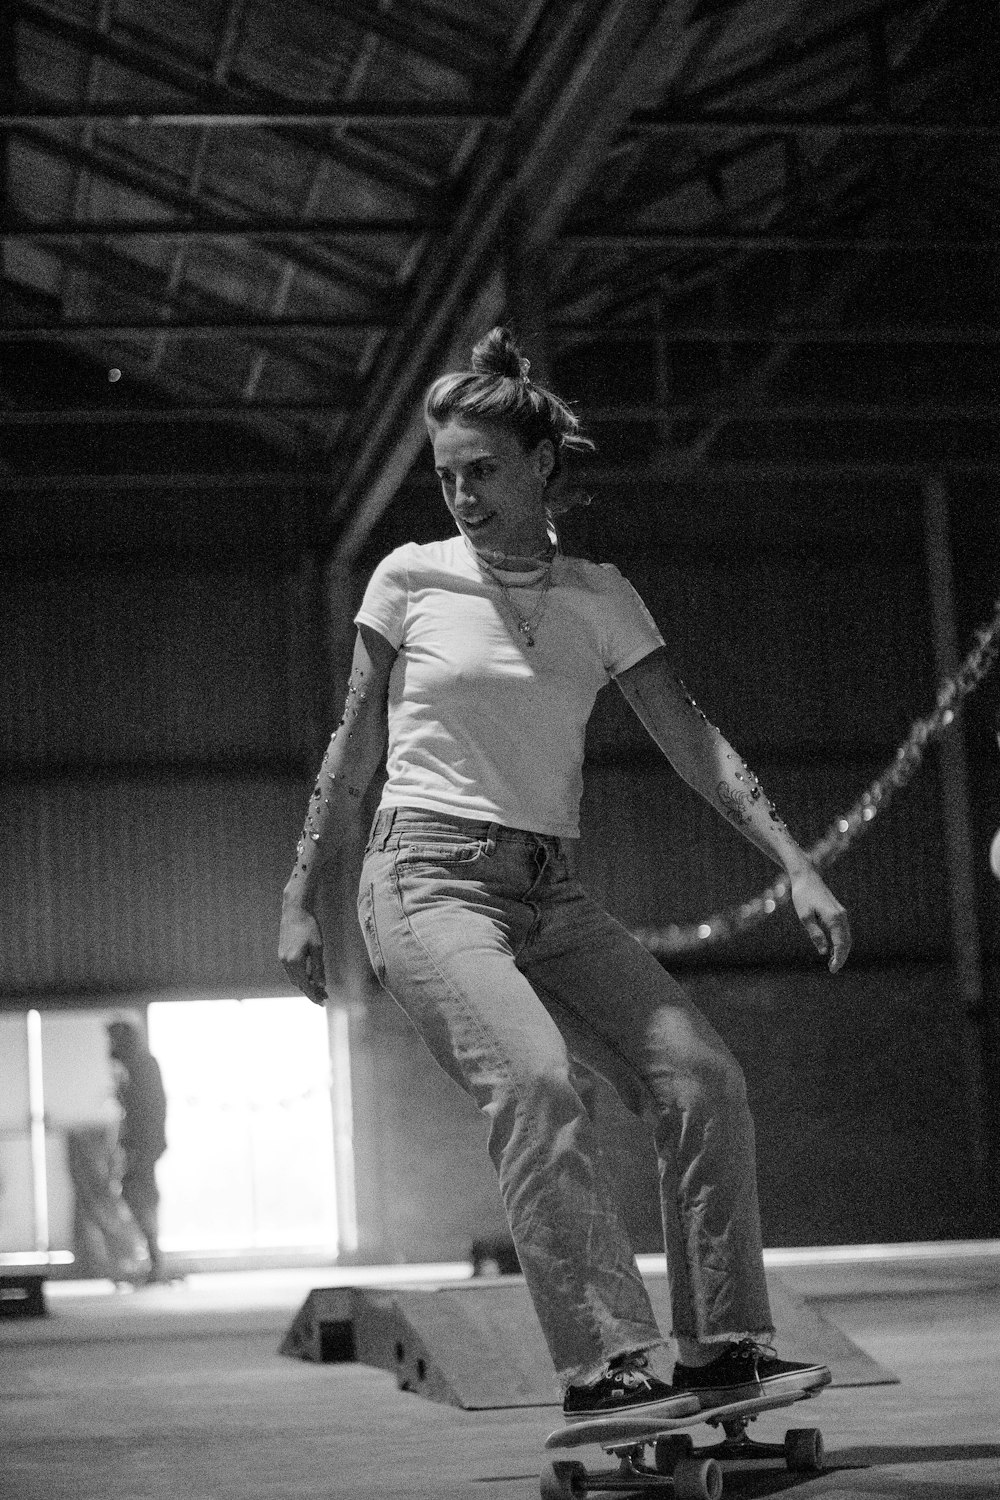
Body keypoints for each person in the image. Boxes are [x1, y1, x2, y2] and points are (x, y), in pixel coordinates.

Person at [278, 327, 851, 1420]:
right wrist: (300, 896)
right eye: (445, 476)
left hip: (548, 892)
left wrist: (799, 865)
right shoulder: (410, 577)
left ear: (542, 464)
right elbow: (354, 746)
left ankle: (721, 1345)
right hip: (424, 880)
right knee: (540, 1082)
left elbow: (694, 740)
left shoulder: (599, 595)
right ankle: (603, 1364)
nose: (461, 495)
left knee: (700, 1077)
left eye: (482, 471)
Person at [106, 1018, 168, 1284]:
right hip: (140, 1143)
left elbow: (147, 1109)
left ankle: (154, 1262)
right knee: (136, 1193)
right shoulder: (135, 1066)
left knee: (137, 1193)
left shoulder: (142, 1066)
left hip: (142, 1144)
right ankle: (152, 1262)